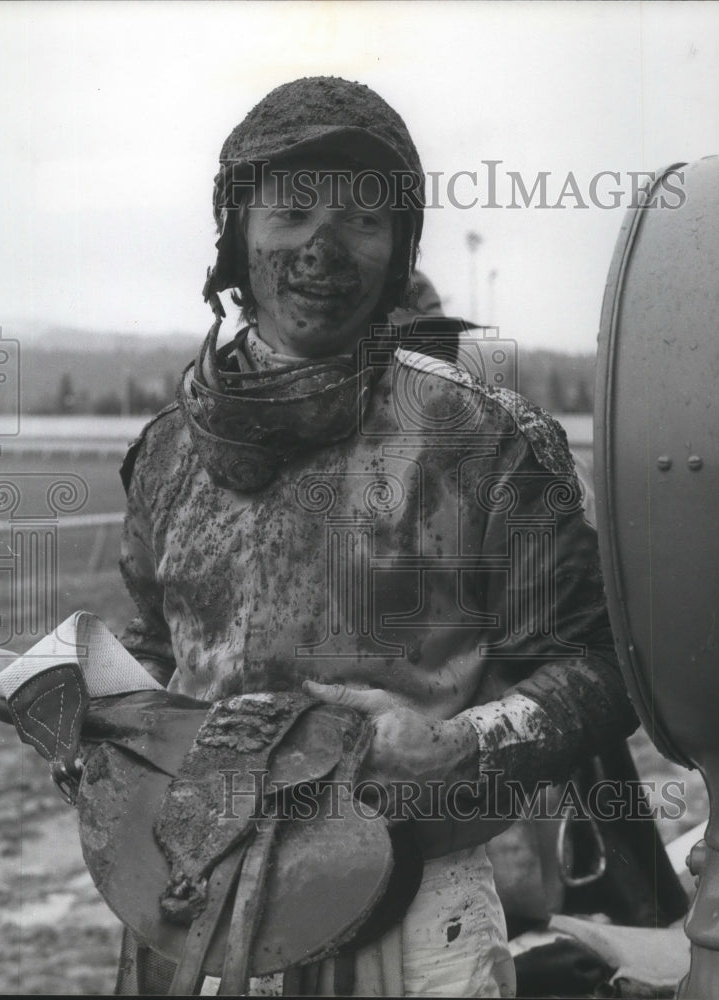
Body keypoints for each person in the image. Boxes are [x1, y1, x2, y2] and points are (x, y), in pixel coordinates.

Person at [115, 76, 639, 997]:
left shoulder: (486, 440)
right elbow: (159, 656)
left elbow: (597, 669)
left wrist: (457, 747)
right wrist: (98, 727)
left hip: (414, 906)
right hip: (189, 897)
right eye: (291, 211)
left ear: (399, 247)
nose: (321, 246)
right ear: (237, 231)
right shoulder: (166, 454)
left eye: (362, 218)